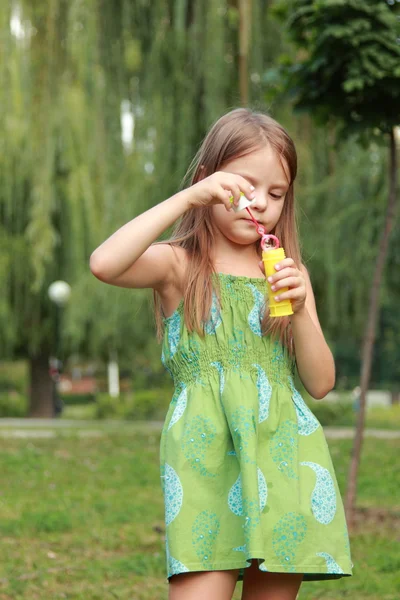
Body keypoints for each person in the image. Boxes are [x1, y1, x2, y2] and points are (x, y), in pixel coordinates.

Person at [90, 108, 353, 600]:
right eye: (245, 185)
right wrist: (187, 197)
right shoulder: (178, 265)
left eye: (277, 194)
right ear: (209, 182)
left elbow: (320, 383)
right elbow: (104, 263)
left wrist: (298, 309)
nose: (261, 202)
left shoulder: (287, 274)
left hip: (285, 456)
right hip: (204, 461)